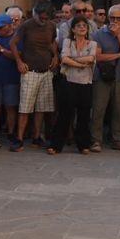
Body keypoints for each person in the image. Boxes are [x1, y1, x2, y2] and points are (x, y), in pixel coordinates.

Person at [10, 1, 58, 151]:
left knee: (41, 108)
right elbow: (13, 43)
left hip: (46, 71)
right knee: (25, 108)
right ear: (35, 13)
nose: (44, 21)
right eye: (41, 18)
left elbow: (51, 42)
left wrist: (55, 56)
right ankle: (19, 139)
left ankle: (37, 137)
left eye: (46, 18)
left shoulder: (51, 25)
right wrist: (19, 61)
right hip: (30, 71)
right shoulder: (26, 25)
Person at [47, 16, 98, 155]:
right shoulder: (68, 42)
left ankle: (83, 145)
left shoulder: (92, 44)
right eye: (79, 25)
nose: (82, 28)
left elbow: (91, 58)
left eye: (84, 26)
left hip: (85, 83)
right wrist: (81, 63)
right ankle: (56, 145)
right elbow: (64, 59)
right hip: (69, 82)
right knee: (64, 114)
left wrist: (72, 59)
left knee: (84, 115)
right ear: (73, 29)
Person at [91, 4, 120, 152]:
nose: (115, 21)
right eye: (112, 18)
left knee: (119, 110)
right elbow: (98, 56)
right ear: (107, 18)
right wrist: (118, 55)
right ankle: (96, 140)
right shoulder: (98, 34)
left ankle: (117, 139)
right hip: (102, 76)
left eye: (119, 18)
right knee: (99, 109)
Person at [0, 13, 20, 143]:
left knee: (10, 106)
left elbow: (18, 56)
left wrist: (1, 50)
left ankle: (11, 132)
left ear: (9, 26)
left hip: (11, 77)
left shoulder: (17, 37)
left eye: (1, 28)